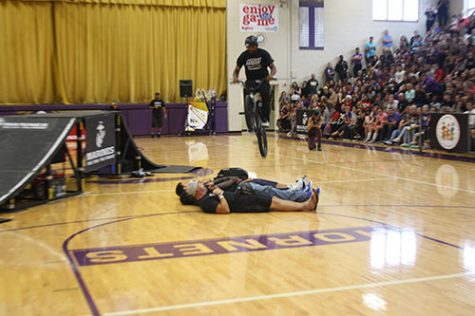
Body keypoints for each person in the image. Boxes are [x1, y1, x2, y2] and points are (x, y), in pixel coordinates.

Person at [182, 179, 319, 214]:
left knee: (275, 198)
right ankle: (305, 205)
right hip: (244, 204)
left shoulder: (204, 195)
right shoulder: (206, 203)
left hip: (243, 195)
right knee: (275, 202)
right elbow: (225, 210)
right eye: (200, 185)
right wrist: (220, 195)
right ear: (198, 192)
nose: (202, 185)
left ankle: (303, 200)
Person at [232, 35, 277, 127]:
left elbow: (273, 68)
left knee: (266, 96)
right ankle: (250, 120)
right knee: (246, 95)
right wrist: (235, 77)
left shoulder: (263, 54)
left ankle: (265, 119)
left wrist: (271, 75)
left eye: (252, 46)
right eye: (248, 46)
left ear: (256, 45)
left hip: (263, 80)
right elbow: (236, 70)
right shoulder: (243, 56)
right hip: (250, 81)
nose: (251, 48)